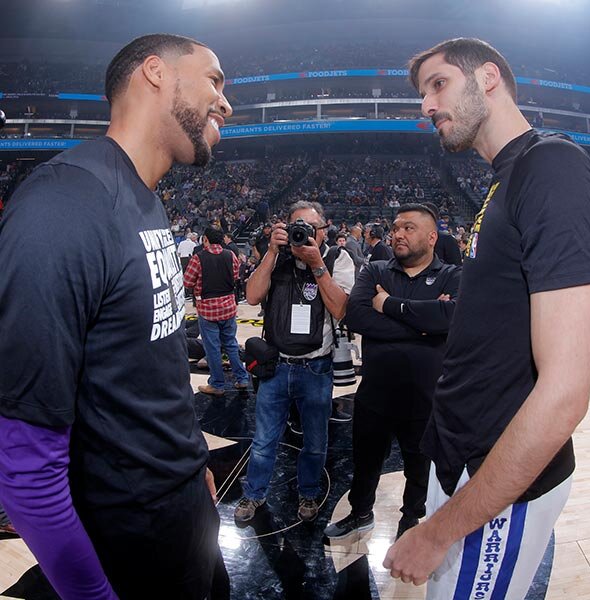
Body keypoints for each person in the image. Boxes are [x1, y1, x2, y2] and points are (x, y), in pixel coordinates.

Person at [0, 33, 233, 600]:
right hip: (125, 538)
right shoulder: (63, 206)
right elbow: (25, 467)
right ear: (155, 73)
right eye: (215, 81)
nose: (225, 103)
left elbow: (143, 361)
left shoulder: (144, 196)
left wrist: (188, 461)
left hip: (181, 507)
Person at [382, 37, 590, 598]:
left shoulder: (552, 165)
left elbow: (564, 393)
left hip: (498, 483)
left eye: (438, 84)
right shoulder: (505, 182)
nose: (426, 105)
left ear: (488, 78)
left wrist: (438, 533)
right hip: (465, 462)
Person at [324, 204, 460, 542]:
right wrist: (425, 323)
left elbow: (452, 319)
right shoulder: (376, 270)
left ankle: (410, 521)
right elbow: (356, 317)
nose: (398, 233)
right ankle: (360, 514)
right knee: (366, 462)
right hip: (375, 394)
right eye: (396, 227)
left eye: (409, 228)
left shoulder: (452, 276)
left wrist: (388, 306)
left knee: (420, 467)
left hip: (426, 398)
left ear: (431, 237)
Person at [234, 200, 355, 523]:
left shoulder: (338, 258)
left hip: (316, 367)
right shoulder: (277, 257)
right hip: (277, 366)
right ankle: (254, 494)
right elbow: (252, 297)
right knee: (263, 441)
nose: (303, 234)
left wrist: (317, 265)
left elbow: (342, 309)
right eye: (296, 228)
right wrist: (272, 253)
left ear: (324, 229)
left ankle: (309, 492)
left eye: (311, 228)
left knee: (315, 442)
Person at [183, 226, 248, 396]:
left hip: (208, 310)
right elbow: (235, 276)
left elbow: (187, 282)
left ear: (205, 239)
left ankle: (217, 384)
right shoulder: (231, 255)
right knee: (231, 344)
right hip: (228, 306)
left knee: (212, 348)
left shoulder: (198, 258)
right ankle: (242, 379)